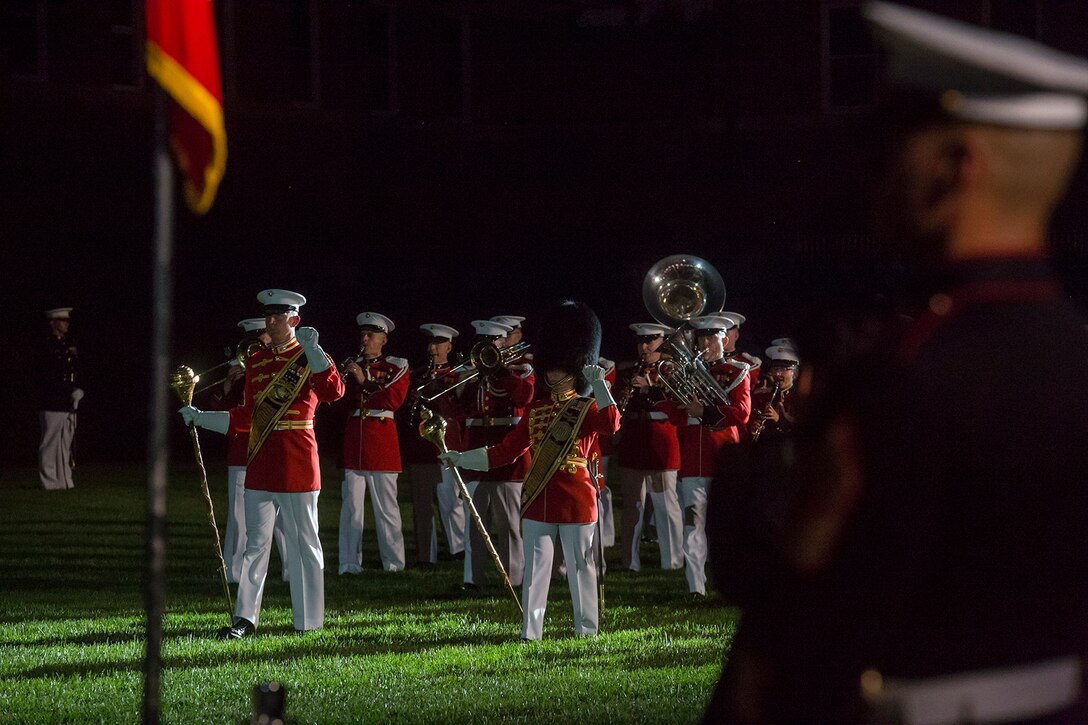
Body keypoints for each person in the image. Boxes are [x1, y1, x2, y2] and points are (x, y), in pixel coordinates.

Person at [706, 3, 1088, 720]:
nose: (871, 179)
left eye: (886, 154)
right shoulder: (1073, 350)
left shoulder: (903, 379)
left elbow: (805, 634)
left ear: (955, 166)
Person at [440, 301, 620, 640]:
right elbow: (503, 452)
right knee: (536, 570)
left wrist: (600, 386)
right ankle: (531, 631)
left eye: (559, 368)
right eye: (549, 368)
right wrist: (461, 459)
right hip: (539, 498)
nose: (552, 374)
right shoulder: (536, 411)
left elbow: (611, 424)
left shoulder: (587, 407)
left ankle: (587, 630)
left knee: (582, 567)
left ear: (575, 366)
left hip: (578, 500)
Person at [180, 289, 344, 638]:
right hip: (261, 459)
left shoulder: (308, 356)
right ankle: (245, 619)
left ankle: (308, 621)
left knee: (305, 544)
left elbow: (333, 392)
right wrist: (202, 418)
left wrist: (314, 350)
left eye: (278, 316)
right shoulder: (257, 361)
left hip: (298, 458)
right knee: (255, 545)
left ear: (294, 320)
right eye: (268, 315)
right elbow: (249, 415)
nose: (270, 322)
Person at [673, 315, 750, 598]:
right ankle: (696, 587)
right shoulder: (687, 372)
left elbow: (742, 413)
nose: (705, 343)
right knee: (693, 524)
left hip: (723, 458)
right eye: (702, 337)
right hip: (693, 460)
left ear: (724, 339)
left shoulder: (737, 371)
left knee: (728, 524)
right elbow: (674, 413)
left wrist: (703, 411)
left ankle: (730, 584)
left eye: (712, 337)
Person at [206, 318, 288, 584]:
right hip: (242, 451)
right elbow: (225, 413)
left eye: (261, 339)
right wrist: (230, 387)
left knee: (284, 515)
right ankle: (235, 570)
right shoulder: (240, 372)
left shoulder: (278, 365)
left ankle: (291, 568)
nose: (259, 346)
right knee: (238, 516)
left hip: (274, 448)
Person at [458, 318, 533, 590]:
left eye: (493, 342)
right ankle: (472, 578)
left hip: (508, 454)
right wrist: (464, 382)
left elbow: (525, 398)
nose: (488, 347)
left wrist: (501, 372)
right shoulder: (471, 371)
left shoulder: (520, 369)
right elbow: (455, 410)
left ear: (503, 342)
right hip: (476, 447)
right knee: (475, 523)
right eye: (482, 342)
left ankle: (513, 578)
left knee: (510, 524)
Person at [338, 311, 409, 574]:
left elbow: (392, 400)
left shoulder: (396, 365)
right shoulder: (352, 364)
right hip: (354, 442)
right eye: (363, 335)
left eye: (371, 335)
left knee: (386, 508)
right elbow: (337, 403)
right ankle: (348, 563)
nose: (365, 339)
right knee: (351, 508)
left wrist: (362, 380)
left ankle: (393, 562)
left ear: (384, 339)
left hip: (381, 442)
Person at [613, 322, 682, 572]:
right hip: (634, 438)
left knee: (665, 504)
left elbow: (679, 400)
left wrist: (651, 387)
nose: (645, 346)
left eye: (651, 340)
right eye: (642, 341)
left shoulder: (673, 370)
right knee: (633, 505)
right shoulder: (629, 369)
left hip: (661, 439)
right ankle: (629, 562)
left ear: (662, 340)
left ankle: (672, 561)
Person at [403, 322, 466, 567]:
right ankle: (425, 555)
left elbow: (459, 410)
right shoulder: (418, 375)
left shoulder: (457, 374)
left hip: (447, 443)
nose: (433, 348)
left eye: (439, 343)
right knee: (422, 503)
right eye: (431, 343)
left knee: (451, 499)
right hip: (422, 447)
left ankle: (458, 548)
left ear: (449, 346)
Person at [38, 307, 82, 491]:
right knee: (50, 442)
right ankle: (49, 480)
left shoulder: (64, 346)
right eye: (62, 320)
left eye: (67, 321)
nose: (66, 324)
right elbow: (49, 375)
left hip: (65, 400)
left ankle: (64, 479)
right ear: (53, 323)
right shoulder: (48, 345)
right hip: (52, 400)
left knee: (65, 442)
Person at [746, 344, 800, 444]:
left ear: (795, 373)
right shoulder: (761, 395)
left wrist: (778, 419)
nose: (778, 374)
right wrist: (753, 428)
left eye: (783, 369)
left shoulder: (801, 399)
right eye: (775, 369)